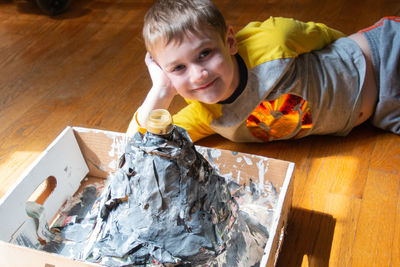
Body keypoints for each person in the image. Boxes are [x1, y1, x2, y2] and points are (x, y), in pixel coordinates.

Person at [126, 0, 399, 142]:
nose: (198, 74)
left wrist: (356, 66)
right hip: (381, 116)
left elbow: (328, 38)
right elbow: (137, 145)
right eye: (178, 68)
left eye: (205, 54)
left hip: (383, 57)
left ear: (230, 42)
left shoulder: (272, 40)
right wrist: (161, 90)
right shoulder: (204, 115)